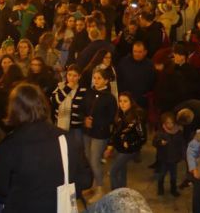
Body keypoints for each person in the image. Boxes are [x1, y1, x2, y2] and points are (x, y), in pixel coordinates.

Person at [0, 83, 92, 212]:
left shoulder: (9, 145)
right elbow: (86, 179)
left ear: (14, 109)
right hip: (58, 207)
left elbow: (2, 189)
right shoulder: (65, 139)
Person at [80, 67, 117, 202]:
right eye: (94, 78)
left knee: (95, 160)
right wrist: (84, 118)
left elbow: (111, 118)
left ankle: (100, 189)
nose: (96, 81)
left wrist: (94, 122)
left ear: (106, 80)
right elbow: (82, 108)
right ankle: (94, 185)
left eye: (99, 78)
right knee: (89, 159)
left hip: (100, 134)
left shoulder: (110, 98)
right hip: (87, 131)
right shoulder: (89, 92)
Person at [105, 92, 146, 190]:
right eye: (120, 101)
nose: (122, 104)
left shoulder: (136, 117)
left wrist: (130, 144)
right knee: (121, 170)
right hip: (119, 148)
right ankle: (122, 192)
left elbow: (142, 137)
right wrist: (110, 146)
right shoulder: (120, 114)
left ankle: (115, 196)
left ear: (131, 102)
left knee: (113, 171)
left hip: (128, 150)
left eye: (125, 101)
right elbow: (114, 132)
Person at [51, 65, 86, 145]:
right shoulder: (60, 86)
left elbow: (85, 107)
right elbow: (55, 101)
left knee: (75, 149)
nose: (71, 78)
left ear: (79, 77)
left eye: (75, 76)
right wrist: (68, 88)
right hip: (60, 125)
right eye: (69, 75)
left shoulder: (83, 90)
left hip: (76, 128)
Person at [116, 42, 155, 113]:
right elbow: (118, 79)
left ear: (145, 52)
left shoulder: (150, 65)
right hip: (125, 100)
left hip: (142, 101)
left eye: (140, 52)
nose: (137, 54)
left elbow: (152, 82)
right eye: (135, 51)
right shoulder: (124, 62)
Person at [153, 112, 185, 197]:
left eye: (172, 123)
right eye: (168, 123)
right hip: (164, 158)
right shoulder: (161, 132)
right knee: (162, 174)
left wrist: (182, 155)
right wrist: (160, 142)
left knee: (173, 176)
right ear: (164, 123)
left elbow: (182, 144)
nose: (170, 125)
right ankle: (160, 189)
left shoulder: (178, 132)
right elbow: (154, 142)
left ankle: (173, 190)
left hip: (174, 159)